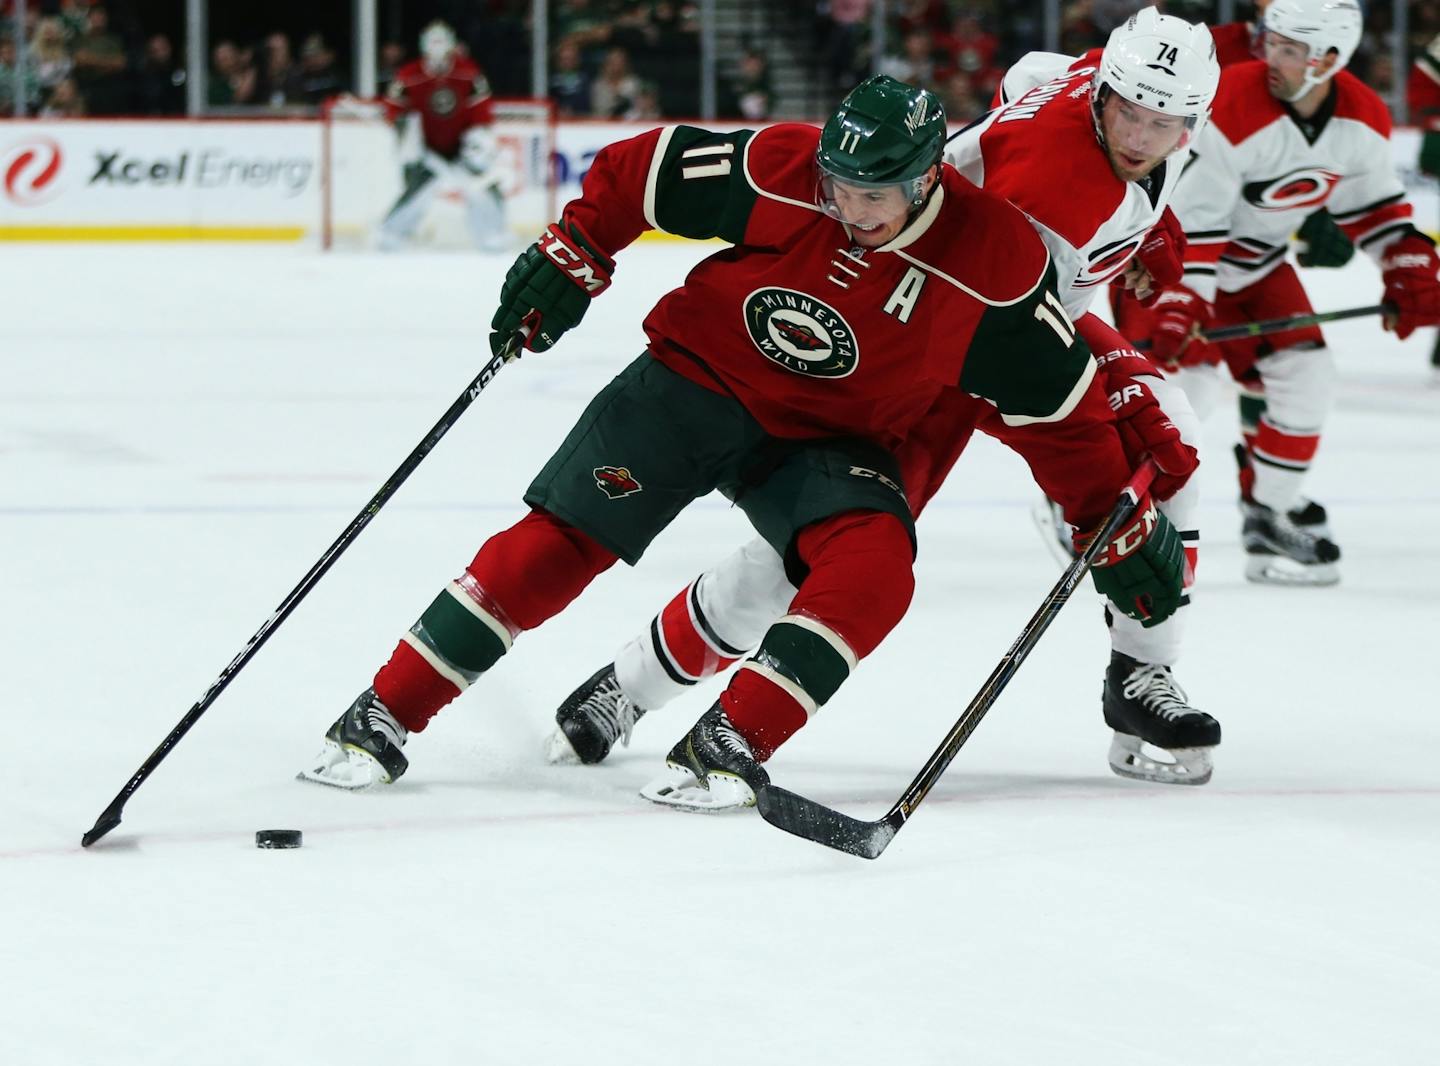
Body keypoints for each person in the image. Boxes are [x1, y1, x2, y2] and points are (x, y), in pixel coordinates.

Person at [298, 76, 1188, 808]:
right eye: (839, 186)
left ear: (926, 180)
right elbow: (645, 169)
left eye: (871, 193)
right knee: (562, 544)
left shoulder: (992, 263)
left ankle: (729, 738)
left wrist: (1102, 515)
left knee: (875, 569)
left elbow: (1060, 409)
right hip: (695, 384)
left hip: (832, 437)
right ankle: (384, 713)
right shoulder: (790, 165)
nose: (847, 206)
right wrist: (578, 249)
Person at [547, 8, 1224, 792]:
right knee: (806, 563)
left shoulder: (1095, 85)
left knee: (1169, 463)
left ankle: (1142, 673)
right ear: (1106, 90)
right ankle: (628, 688)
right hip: (933, 345)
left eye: (1163, 122)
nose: (1142, 136)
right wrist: (1117, 397)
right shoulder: (1051, 191)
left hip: (973, 321)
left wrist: (1150, 226)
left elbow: (1026, 76)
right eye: (1130, 115)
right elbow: (1019, 336)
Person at [1126, 0, 1440, 586]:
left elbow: (1374, 208)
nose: (1273, 57)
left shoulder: (1362, 116)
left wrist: (1406, 261)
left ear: (1328, 58)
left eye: (1290, 50)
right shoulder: (1234, 103)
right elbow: (1198, 225)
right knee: (1183, 393)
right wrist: (1181, 301)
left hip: (1258, 268)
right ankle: (1131, 516)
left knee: (1309, 375)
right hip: (1175, 264)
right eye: (1272, 42)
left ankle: (1270, 511)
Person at [375, 21, 510, 253]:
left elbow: (482, 110)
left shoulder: (468, 71)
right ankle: (390, 234)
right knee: (418, 191)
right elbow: (393, 109)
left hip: (461, 146)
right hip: (425, 147)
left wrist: (477, 138)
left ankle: (493, 234)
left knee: (482, 185)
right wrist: (405, 131)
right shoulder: (409, 75)